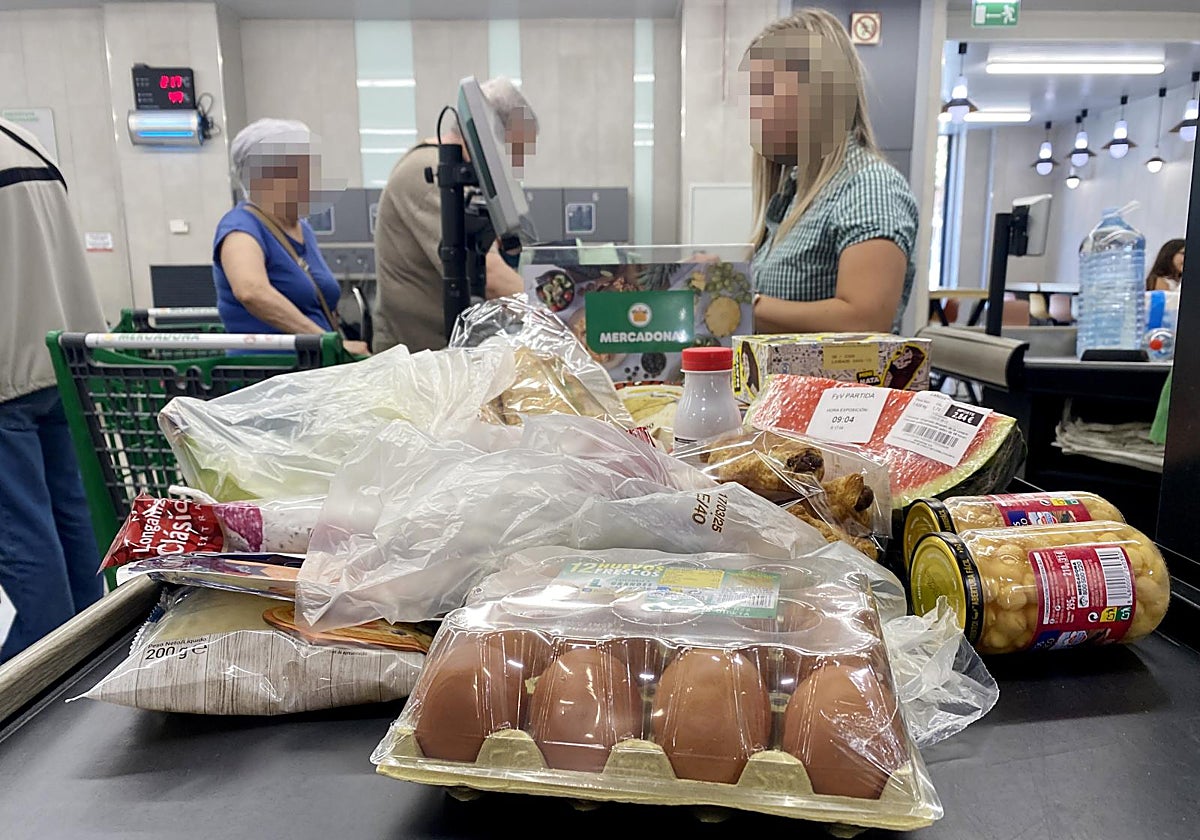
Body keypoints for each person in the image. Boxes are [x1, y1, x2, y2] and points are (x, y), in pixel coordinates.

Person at [0, 117, 106, 661]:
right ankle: (84, 658)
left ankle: (36, 674)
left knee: (23, 538)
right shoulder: (26, 141)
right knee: (73, 521)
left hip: (4, 376)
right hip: (61, 359)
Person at [742, 9, 919, 334]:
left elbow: (865, 320)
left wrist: (738, 301)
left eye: (768, 89)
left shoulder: (869, 187)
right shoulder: (794, 193)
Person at [373, 77, 537, 353]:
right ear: (492, 135)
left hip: (445, 350)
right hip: (415, 358)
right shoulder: (430, 174)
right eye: (513, 150)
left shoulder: (462, 177)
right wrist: (558, 316)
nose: (513, 165)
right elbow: (490, 276)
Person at [214, 118, 369, 355]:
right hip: (269, 371)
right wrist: (327, 342)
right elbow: (251, 291)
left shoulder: (302, 229)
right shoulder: (240, 228)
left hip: (313, 366)